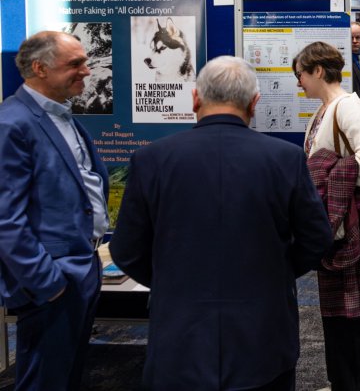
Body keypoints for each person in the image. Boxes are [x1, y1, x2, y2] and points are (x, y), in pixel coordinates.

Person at [110, 56, 333, 390]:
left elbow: (126, 250)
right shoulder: (285, 159)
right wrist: (277, 272)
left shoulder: (151, 160)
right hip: (262, 338)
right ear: (255, 103)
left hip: (179, 338)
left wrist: (171, 279)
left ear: (196, 99)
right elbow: (317, 239)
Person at [0, 31, 108, 390]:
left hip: (81, 269)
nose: (87, 71)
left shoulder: (62, 117)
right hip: (53, 279)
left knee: (67, 375)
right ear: (39, 68)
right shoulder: (12, 123)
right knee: (44, 380)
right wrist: (46, 283)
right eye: (75, 64)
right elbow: (5, 218)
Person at [295, 41, 360, 391]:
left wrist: (335, 185)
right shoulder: (329, 108)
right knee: (338, 314)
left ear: (318, 70)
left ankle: (356, 384)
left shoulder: (347, 107)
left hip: (349, 225)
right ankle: (343, 382)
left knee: (353, 316)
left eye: (301, 74)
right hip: (336, 224)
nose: (299, 82)